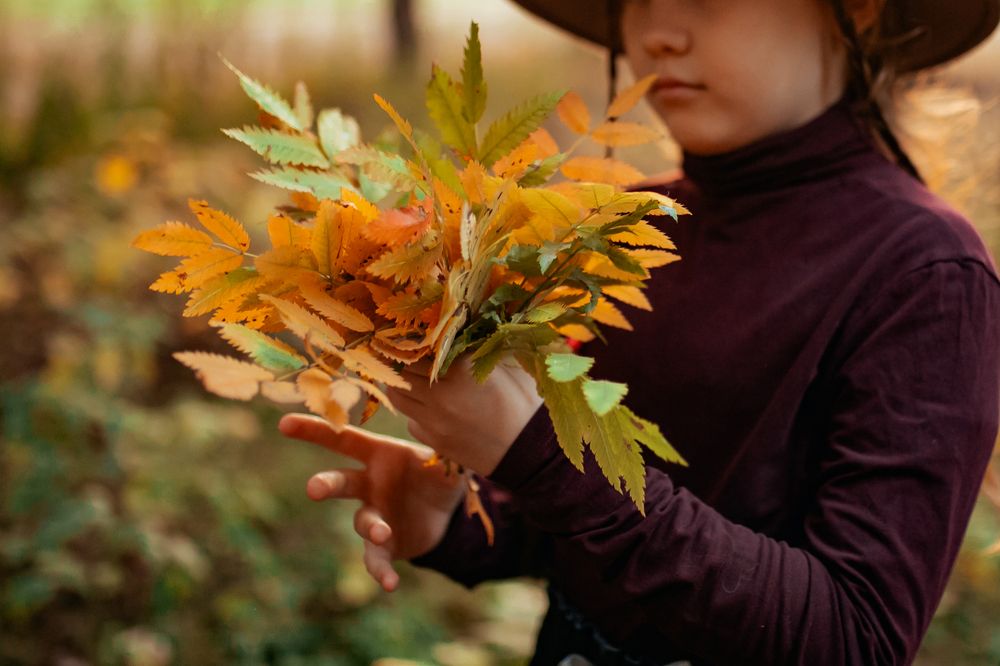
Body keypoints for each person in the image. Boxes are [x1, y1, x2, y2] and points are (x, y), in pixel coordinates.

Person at [279, 0, 1000, 663]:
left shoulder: (925, 272)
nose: (659, 30)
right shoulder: (623, 224)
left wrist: (532, 455)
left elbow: (855, 637)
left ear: (859, 12)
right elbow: (594, 523)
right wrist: (458, 522)